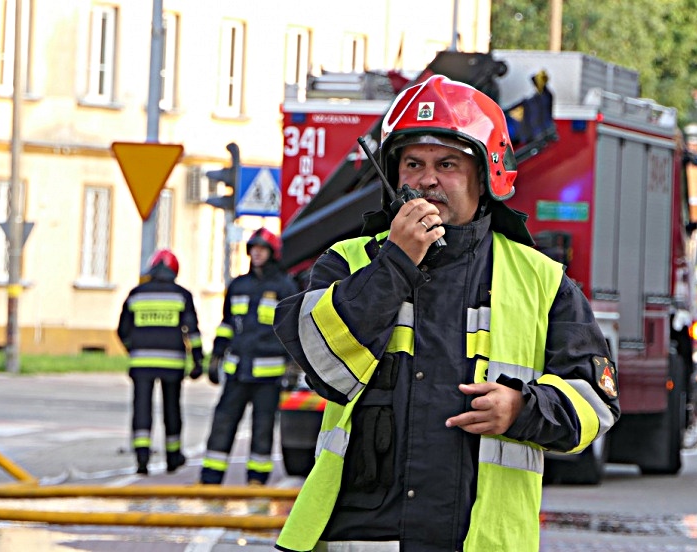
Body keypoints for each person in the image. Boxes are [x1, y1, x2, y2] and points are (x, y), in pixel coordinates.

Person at [272, 75, 621, 551]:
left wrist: (521, 409)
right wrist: (395, 264)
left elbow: (596, 404)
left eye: (448, 164)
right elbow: (322, 367)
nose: (427, 180)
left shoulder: (541, 279)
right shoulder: (349, 263)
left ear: (486, 175)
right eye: (412, 163)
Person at [199, 228, 299, 485]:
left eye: (262, 249)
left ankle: (257, 480)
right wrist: (216, 356)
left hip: (268, 376)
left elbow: (292, 329)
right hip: (237, 371)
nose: (256, 253)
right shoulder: (238, 285)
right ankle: (211, 477)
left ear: (272, 253)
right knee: (223, 421)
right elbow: (227, 324)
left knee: (262, 427)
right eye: (253, 248)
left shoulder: (285, 286)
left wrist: (293, 366)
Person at [116, 249, 203, 475]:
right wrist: (198, 361)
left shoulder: (137, 294)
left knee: (142, 408)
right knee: (171, 409)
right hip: (172, 364)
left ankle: (142, 458)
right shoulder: (182, 295)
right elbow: (192, 332)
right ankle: (173, 457)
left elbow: (122, 330)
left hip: (141, 363)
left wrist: (133, 348)